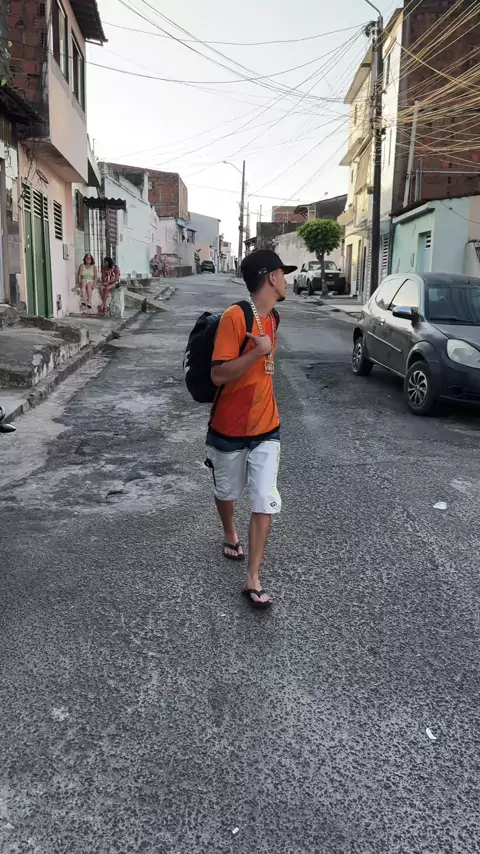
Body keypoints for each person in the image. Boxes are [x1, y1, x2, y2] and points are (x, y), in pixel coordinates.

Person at [205, 249, 296, 609]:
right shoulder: (235, 317)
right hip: (228, 426)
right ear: (271, 277)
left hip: (266, 426)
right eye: (283, 274)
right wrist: (257, 352)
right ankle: (230, 531)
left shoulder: (274, 318)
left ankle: (253, 578)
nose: (286, 280)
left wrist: (263, 352)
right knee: (226, 491)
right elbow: (218, 374)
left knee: (264, 497)